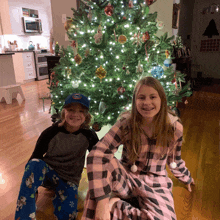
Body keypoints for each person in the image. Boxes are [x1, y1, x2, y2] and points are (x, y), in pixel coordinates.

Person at [82, 77, 195, 220]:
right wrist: (102, 203)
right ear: (135, 101)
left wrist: (186, 177)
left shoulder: (174, 128)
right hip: (127, 178)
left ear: (162, 99)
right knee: (100, 175)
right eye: (141, 97)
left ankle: (118, 206)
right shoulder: (126, 123)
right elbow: (97, 155)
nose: (147, 102)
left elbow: (175, 160)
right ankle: (103, 209)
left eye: (152, 97)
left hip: (156, 183)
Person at [15, 93, 99, 220]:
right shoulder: (50, 132)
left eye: (81, 111)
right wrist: (32, 187)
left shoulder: (89, 135)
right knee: (34, 163)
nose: (75, 114)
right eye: (71, 110)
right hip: (48, 174)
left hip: (69, 180)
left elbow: (98, 159)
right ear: (64, 112)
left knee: (68, 215)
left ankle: (61, 196)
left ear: (86, 115)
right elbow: (34, 157)